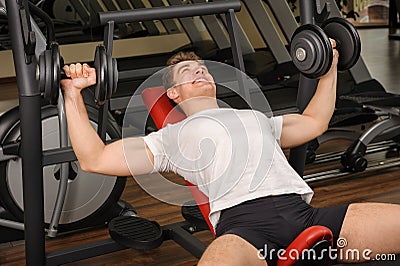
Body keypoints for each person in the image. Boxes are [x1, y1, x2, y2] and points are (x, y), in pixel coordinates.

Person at [61, 42, 400, 265]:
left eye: (203, 68)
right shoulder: (169, 138)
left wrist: (328, 69)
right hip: (245, 230)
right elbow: (96, 159)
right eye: (187, 71)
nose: (200, 70)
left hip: (304, 215)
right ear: (173, 93)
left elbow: (314, 121)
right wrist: (73, 92)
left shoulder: (256, 118)